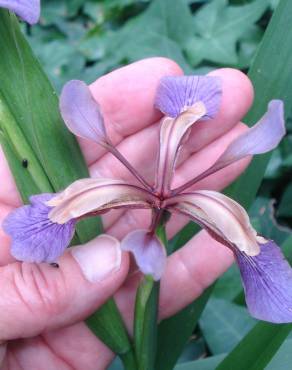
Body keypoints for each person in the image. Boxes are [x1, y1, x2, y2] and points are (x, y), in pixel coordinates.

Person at [0, 58, 253, 369]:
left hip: (154, 220)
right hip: (140, 217)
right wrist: (65, 209)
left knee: (239, 233)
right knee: (68, 203)